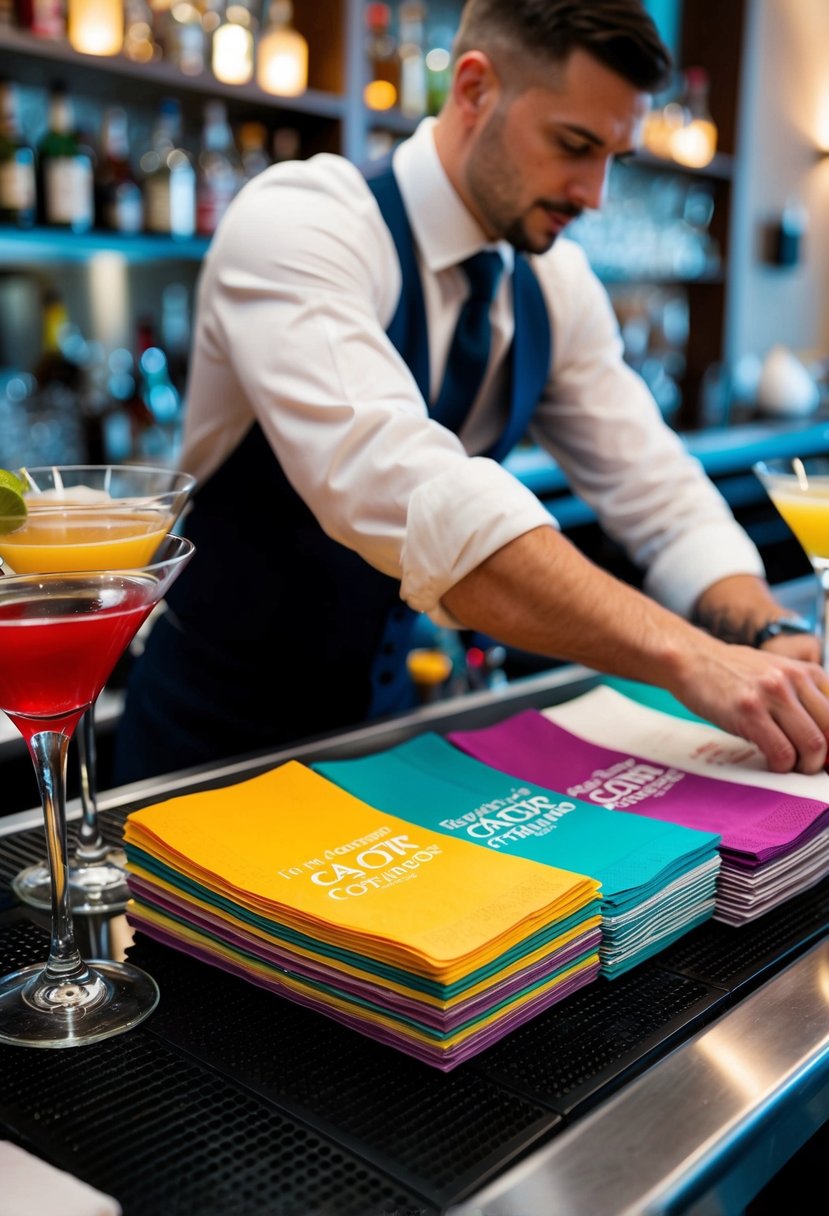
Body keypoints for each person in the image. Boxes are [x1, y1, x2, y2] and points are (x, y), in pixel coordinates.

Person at [113, 0, 829, 787]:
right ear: (475, 88)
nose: (593, 193)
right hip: (212, 741)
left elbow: (658, 494)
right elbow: (421, 497)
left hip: (392, 733)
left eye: (612, 159)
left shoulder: (552, 284)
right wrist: (691, 657)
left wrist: (767, 633)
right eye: (572, 144)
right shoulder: (300, 223)